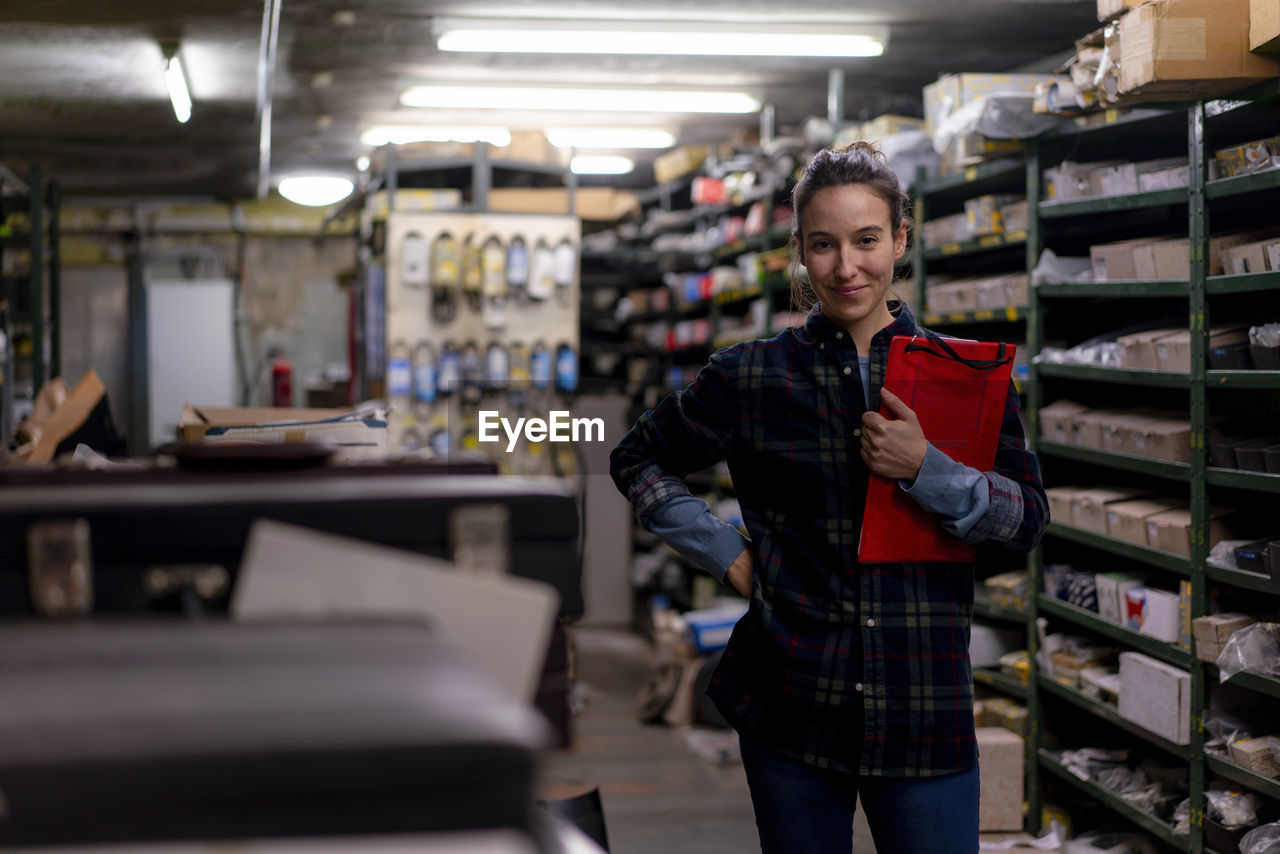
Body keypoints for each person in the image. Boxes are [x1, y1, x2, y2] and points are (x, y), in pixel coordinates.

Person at [610, 141, 1048, 854]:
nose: (846, 268)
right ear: (800, 251)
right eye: (824, 245)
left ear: (900, 240)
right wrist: (730, 557)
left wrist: (926, 469)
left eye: (867, 240)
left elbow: (1026, 521)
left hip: (921, 708)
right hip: (790, 704)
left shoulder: (962, 379)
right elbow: (638, 457)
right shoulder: (750, 377)